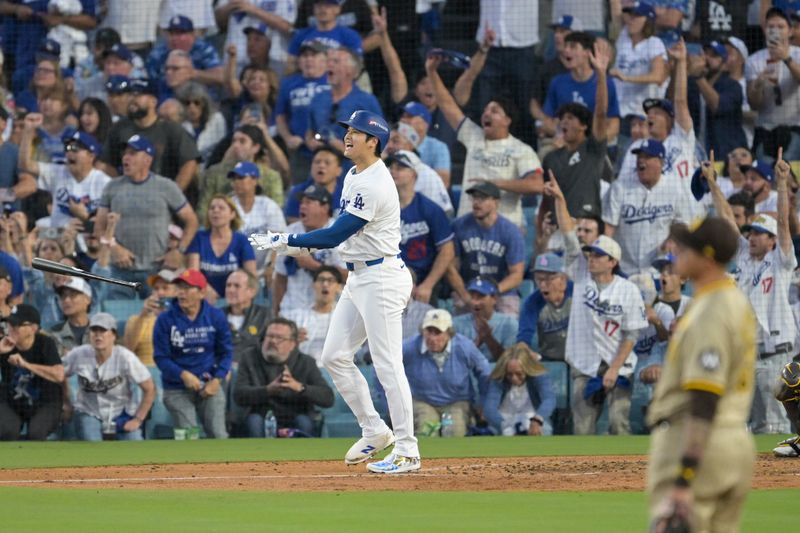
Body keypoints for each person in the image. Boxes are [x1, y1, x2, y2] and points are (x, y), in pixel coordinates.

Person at [251, 110, 420, 473]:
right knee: (334, 356)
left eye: (355, 132)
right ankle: (375, 430)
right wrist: (292, 245)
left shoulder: (375, 182)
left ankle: (407, 450)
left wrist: (286, 239)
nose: (347, 136)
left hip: (382, 277)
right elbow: (335, 230)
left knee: (389, 365)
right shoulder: (353, 174)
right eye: (347, 130)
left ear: (373, 141)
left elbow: (333, 235)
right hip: (358, 276)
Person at [646, 216, 755, 533]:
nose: (676, 251)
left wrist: (685, 478)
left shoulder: (711, 311)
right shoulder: (732, 301)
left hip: (700, 446)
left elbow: (705, 397)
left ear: (706, 257)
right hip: (731, 440)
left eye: (686, 247)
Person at [547, 176, 648, 435]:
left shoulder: (628, 290)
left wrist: (614, 369)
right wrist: (560, 199)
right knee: (582, 428)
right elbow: (570, 234)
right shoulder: (581, 273)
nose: (591, 258)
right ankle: (583, 476)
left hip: (619, 364)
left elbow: (632, 334)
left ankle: (623, 476)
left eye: (598, 256)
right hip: (585, 363)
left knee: (619, 423)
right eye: (591, 254)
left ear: (612, 261)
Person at [705, 152, 796, 433]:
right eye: (751, 232)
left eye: (758, 232)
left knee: (776, 426)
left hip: (776, 357)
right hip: (747, 356)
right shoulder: (744, 256)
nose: (752, 236)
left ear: (771, 241)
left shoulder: (780, 260)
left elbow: (782, 223)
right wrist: (712, 183)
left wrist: (781, 184)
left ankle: (784, 478)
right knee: (752, 428)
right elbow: (727, 218)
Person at [425, 53, 543, 228]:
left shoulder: (522, 150)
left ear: (507, 120)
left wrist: (496, 184)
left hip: (505, 229)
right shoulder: (473, 135)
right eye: (486, 110)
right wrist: (431, 71)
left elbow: (537, 185)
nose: (487, 114)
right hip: (467, 229)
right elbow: (447, 104)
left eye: (494, 111)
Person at [94, 135, 198, 298]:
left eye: (132, 153)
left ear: (147, 160)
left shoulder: (166, 187)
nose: (125, 158)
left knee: (154, 319)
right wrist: (113, 247)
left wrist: (179, 251)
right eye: (125, 153)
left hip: (156, 272)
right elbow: (99, 227)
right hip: (119, 271)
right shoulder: (112, 187)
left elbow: (191, 221)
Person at [153, 269, 233, 439]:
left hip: (209, 383)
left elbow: (226, 353)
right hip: (176, 387)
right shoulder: (165, 319)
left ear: (202, 292)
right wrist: (183, 375)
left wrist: (217, 379)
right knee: (188, 434)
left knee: (218, 434)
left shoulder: (216, 316)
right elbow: (160, 357)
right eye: (179, 287)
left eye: (188, 288)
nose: (181, 292)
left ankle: (224, 465)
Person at [542, 39, 613, 219]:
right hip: (557, 228)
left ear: (584, 126)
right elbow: (545, 198)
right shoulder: (551, 158)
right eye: (562, 119)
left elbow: (601, 113)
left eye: (570, 118)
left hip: (586, 225)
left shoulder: (593, 149)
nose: (564, 122)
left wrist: (601, 75)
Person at [233, 317, 334, 437]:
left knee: (304, 422)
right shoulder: (249, 358)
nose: (273, 341)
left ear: (292, 344)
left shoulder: (306, 362)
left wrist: (299, 387)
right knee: (254, 422)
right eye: (270, 336)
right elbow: (238, 395)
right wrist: (268, 390)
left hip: (295, 415)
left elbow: (328, 398)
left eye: (279, 338)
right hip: (261, 415)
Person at [603, 139, 692, 274]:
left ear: (661, 162)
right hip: (623, 268)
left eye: (648, 157)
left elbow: (683, 222)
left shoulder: (675, 188)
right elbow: (609, 227)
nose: (641, 161)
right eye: (639, 156)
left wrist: (673, 238)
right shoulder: (620, 186)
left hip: (659, 269)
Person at [62, 312, 155, 441]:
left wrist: (138, 419)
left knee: (135, 444)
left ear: (113, 335)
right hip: (89, 412)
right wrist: (66, 402)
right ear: (89, 335)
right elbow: (57, 374)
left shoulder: (125, 357)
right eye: (94, 330)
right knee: (92, 443)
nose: (98, 335)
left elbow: (150, 388)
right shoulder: (79, 354)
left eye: (103, 331)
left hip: (121, 413)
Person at [401, 309, 491, 437]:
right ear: (422, 331)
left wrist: (483, 402)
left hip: (456, 401)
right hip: (422, 401)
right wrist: (390, 403)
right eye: (429, 331)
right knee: (427, 430)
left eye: (437, 332)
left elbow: (484, 371)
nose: (432, 338)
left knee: (454, 431)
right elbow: (384, 368)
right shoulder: (408, 347)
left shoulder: (464, 346)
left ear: (449, 333)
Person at [101, 78, 200, 191]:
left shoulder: (171, 130)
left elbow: (190, 162)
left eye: (138, 94)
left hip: (161, 194)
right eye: (131, 94)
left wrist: (174, 194)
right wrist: (122, 186)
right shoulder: (120, 128)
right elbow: (105, 164)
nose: (133, 99)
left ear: (153, 101)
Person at [446, 182, 525, 315]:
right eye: (474, 198)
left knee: (509, 321)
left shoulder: (511, 231)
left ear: (496, 202)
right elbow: (450, 268)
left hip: (501, 292)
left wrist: (492, 293)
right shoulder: (458, 226)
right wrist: (465, 295)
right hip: (468, 290)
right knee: (458, 324)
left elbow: (517, 275)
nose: (476, 203)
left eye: (482, 198)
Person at [19, 117, 111, 228]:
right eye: (68, 147)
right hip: (57, 241)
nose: (70, 152)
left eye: (75, 148)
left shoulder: (104, 183)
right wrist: (28, 131)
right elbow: (25, 165)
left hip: (87, 240)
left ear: (91, 156)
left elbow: (108, 225)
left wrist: (85, 217)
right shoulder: (58, 172)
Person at [272, 184, 346, 316]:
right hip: (292, 309)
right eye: (301, 202)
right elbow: (280, 276)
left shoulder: (339, 232)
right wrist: (276, 310)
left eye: (309, 202)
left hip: (329, 312)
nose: (302, 206)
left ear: (325, 207)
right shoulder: (289, 232)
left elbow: (349, 277)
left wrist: (314, 266)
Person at [390, 152, 454, 305]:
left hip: (422, 279)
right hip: (389, 278)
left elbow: (447, 250)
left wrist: (428, 284)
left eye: (400, 168)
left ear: (414, 174)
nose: (393, 171)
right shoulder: (380, 209)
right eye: (391, 167)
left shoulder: (430, 209)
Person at [542, 32, 621, 142]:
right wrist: (564, 135)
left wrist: (594, 143)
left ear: (587, 53)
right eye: (565, 46)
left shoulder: (605, 83)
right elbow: (546, 121)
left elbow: (614, 125)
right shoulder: (557, 82)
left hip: (594, 147)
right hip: (564, 143)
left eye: (573, 47)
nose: (566, 50)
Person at [0, 305, 64, 441]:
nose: (11, 328)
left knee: (36, 433)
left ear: (33, 328)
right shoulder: (3, 344)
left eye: (16, 325)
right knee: (6, 431)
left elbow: (59, 375)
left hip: (46, 402)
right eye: (9, 324)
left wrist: (26, 365)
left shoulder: (46, 344)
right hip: (11, 402)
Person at [746, 7, 800, 161]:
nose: (775, 30)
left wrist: (786, 58)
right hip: (766, 127)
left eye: (780, 27)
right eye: (771, 27)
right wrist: (759, 83)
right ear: (764, 30)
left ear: (790, 31)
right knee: (764, 171)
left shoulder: (798, 54)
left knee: (790, 170)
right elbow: (753, 104)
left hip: (796, 125)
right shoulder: (754, 60)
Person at [305, 47, 382, 155]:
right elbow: (310, 132)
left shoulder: (367, 101)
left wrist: (346, 149)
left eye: (336, 61)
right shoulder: (318, 98)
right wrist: (311, 142)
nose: (329, 65)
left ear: (350, 70)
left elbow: (379, 139)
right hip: (322, 163)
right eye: (329, 61)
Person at [275, 40, 330, 183]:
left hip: (330, 149)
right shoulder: (288, 83)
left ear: (325, 59)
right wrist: (288, 138)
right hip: (300, 151)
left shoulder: (333, 81)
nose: (308, 60)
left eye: (314, 55)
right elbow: (280, 116)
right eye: (305, 56)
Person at [610, 2, 669, 131]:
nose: (631, 19)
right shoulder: (623, 38)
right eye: (629, 15)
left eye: (636, 16)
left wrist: (626, 78)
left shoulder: (654, 43)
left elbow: (658, 76)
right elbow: (615, 11)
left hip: (642, 114)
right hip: (619, 111)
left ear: (647, 20)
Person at [186, 194, 257, 301]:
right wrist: (206, 289)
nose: (216, 211)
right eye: (212, 208)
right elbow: (193, 273)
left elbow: (251, 277)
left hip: (235, 298)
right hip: (205, 297)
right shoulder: (199, 238)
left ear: (232, 214)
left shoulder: (242, 241)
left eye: (221, 208)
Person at [483, 342, 556, 436]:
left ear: (527, 369)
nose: (514, 378)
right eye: (509, 374)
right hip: (504, 419)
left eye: (519, 374)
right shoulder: (499, 378)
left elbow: (549, 399)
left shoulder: (540, 376)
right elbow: (490, 408)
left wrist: (537, 419)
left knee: (544, 430)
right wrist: (505, 426)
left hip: (533, 416)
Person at [690, 41, 747, 160]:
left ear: (725, 64)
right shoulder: (691, 84)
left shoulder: (733, 86)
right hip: (695, 154)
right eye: (704, 54)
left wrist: (699, 77)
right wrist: (678, 67)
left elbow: (718, 106)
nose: (706, 58)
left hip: (725, 157)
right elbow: (672, 101)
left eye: (713, 56)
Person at [517, 252, 573, 362]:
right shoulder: (532, 303)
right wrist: (530, 354)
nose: (542, 285)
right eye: (539, 279)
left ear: (562, 279)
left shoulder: (577, 292)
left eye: (548, 279)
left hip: (580, 359)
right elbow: (522, 341)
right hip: (549, 360)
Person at [283, 266, 343, 366]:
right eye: (321, 280)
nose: (325, 284)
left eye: (330, 280)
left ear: (339, 287)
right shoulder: (295, 317)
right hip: (303, 369)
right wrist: (292, 340)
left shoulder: (346, 317)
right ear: (313, 285)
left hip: (336, 370)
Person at [146, 15, 223, 88]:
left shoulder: (204, 50)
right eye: (172, 34)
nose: (174, 38)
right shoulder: (157, 54)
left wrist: (193, 73)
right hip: (166, 96)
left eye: (180, 34)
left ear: (192, 35)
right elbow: (149, 81)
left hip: (200, 95)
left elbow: (220, 77)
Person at [453, 277, 519, 362]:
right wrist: (476, 343)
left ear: (494, 299)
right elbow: (456, 362)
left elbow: (508, 363)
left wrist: (489, 339)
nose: (475, 303)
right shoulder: (456, 323)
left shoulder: (510, 324)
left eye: (480, 297)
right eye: (472, 297)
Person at [122, 269, 178, 368]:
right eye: (156, 288)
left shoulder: (183, 318)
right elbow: (128, 351)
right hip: (145, 374)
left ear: (175, 292)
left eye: (165, 288)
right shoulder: (136, 319)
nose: (160, 292)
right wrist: (143, 315)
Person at [284, 147, 344, 223]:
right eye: (317, 162)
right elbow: (291, 218)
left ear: (339, 171)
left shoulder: (347, 194)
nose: (321, 166)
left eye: (327, 163)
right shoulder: (298, 191)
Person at [223, 269, 270, 364]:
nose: (231, 290)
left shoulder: (264, 316)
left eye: (237, 286)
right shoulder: (216, 316)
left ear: (252, 292)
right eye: (228, 285)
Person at [399, 101, 451, 186]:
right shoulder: (393, 144)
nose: (403, 120)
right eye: (403, 116)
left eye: (409, 117)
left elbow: (443, 182)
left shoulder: (439, 147)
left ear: (424, 124)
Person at [49, 277, 93, 357]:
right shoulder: (54, 334)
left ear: (87, 299)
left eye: (73, 295)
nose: (66, 300)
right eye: (63, 296)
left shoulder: (100, 331)